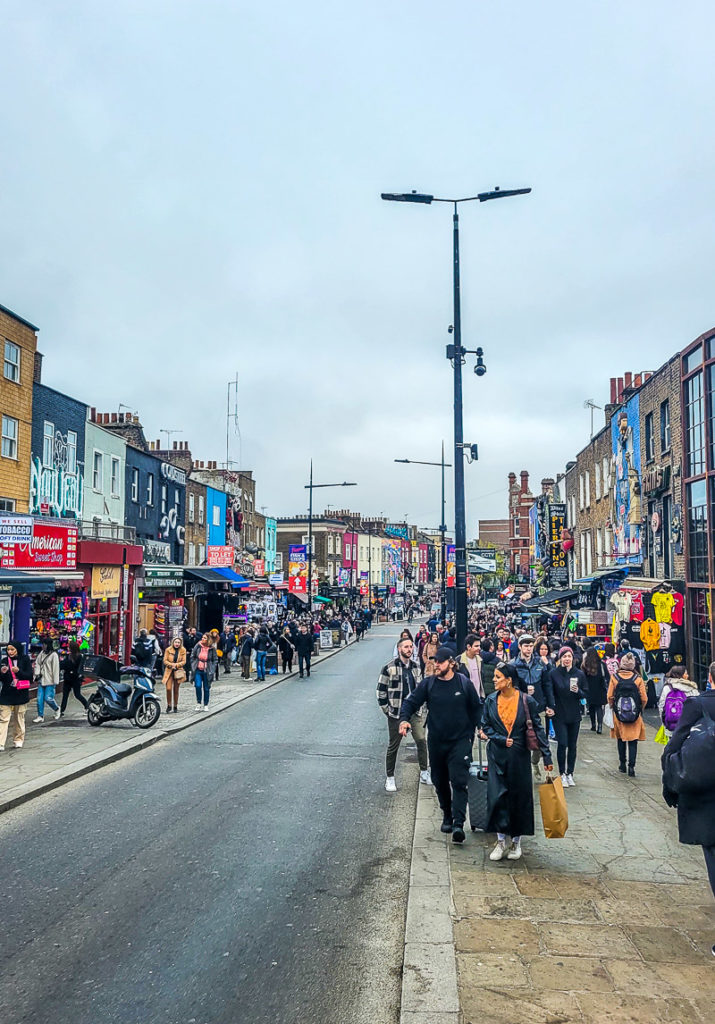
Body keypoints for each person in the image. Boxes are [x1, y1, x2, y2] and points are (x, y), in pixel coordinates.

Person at [398, 647, 482, 843]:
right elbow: (410, 702)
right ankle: (447, 814)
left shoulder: (464, 683)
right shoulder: (429, 684)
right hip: (436, 741)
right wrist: (404, 719)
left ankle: (459, 824)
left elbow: (476, 708)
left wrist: (481, 727)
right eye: (435, 661)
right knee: (439, 780)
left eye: (441, 662)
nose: (436, 665)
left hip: (460, 741)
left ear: (451, 663)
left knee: (459, 780)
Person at [661, 669, 715, 956]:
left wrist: (669, 784)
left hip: (707, 800)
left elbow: (674, 746)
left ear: (710, 678)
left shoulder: (698, 704)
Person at [479, 662, 554, 861]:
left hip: (519, 756)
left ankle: (516, 842)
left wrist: (546, 756)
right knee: (497, 797)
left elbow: (538, 729)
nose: (494, 680)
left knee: (519, 798)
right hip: (497, 755)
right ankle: (500, 840)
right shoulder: (490, 700)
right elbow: (485, 726)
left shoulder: (527, 701)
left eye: (498, 677)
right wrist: (501, 739)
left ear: (509, 680)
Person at [377, 638, 430, 791]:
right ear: (399, 649)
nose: (409, 649)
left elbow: (421, 688)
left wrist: (423, 707)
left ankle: (424, 771)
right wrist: (388, 711)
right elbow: (381, 691)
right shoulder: (389, 668)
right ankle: (390, 777)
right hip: (396, 713)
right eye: (405, 647)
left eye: (410, 647)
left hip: (415, 712)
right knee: (394, 745)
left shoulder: (416, 667)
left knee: (421, 740)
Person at [510, 633, 555, 780]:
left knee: (539, 739)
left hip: (539, 707)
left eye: (530, 646)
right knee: (521, 739)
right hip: (519, 708)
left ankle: (534, 762)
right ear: (520, 647)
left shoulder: (540, 664)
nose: (528, 649)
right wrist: (522, 690)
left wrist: (550, 704)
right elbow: (509, 688)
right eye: (526, 646)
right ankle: (523, 770)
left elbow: (547, 685)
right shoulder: (513, 665)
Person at [550, 647, 588, 788]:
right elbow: (550, 692)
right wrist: (550, 707)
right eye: (564, 656)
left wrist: (578, 691)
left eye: (569, 656)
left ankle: (570, 773)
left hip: (574, 714)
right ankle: (561, 773)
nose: (567, 659)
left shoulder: (579, 674)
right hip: (559, 714)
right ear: (560, 658)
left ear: (573, 658)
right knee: (562, 743)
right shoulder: (554, 673)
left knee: (572, 745)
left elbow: (585, 693)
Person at [607, 652, 648, 776]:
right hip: (634, 715)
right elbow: (644, 698)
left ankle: (622, 764)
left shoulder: (615, 677)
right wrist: (640, 709)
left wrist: (612, 706)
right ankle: (632, 767)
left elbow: (610, 696)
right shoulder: (638, 679)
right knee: (633, 741)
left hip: (619, 714)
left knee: (620, 739)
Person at [0, 640, 32, 749]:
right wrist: (2, 673)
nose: (10, 652)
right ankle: (1, 742)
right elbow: (2, 679)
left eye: (12, 649)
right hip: (6, 694)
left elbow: (29, 677)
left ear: (17, 649)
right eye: (8, 649)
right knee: (4, 718)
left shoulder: (25, 659)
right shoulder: (4, 660)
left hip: (20, 693)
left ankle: (18, 739)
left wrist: (18, 671)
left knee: (19, 718)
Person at [659, 666, 699, 738]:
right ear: (681, 675)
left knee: (672, 747)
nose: (687, 675)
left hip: (671, 726)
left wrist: (665, 723)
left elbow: (662, 706)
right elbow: (697, 707)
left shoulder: (667, 687)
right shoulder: (691, 688)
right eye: (686, 673)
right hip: (688, 727)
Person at [33, 637, 61, 723]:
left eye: (44, 644)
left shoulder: (54, 655)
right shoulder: (41, 653)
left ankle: (56, 709)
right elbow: (37, 663)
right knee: (39, 699)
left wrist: (55, 681)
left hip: (50, 680)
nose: (43, 646)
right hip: (42, 679)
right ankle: (40, 715)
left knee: (48, 698)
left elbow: (55, 669)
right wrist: (37, 674)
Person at [582, 646, 609, 734]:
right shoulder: (601, 664)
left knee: (591, 707)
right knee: (599, 708)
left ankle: (593, 725)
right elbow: (607, 676)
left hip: (589, 689)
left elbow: (582, 677)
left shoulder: (585, 665)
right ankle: (600, 726)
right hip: (600, 689)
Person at [60, 641, 89, 716]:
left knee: (77, 695)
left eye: (69, 647)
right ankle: (61, 710)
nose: (68, 648)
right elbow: (63, 665)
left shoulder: (79, 657)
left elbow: (78, 668)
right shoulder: (69, 656)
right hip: (68, 679)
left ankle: (87, 706)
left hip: (75, 679)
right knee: (65, 695)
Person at [191, 634, 217, 711]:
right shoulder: (198, 645)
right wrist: (193, 665)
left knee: (206, 688)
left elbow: (215, 659)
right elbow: (193, 656)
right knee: (198, 686)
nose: (202, 639)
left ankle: (206, 704)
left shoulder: (212, 648)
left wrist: (212, 668)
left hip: (207, 669)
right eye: (202, 637)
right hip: (198, 668)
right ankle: (198, 703)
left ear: (208, 639)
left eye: (205, 638)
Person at [162, 636, 187, 713]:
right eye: (176, 642)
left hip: (178, 671)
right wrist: (171, 665)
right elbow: (165, 660)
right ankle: (169, 705)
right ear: (173, 642)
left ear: (180, 643)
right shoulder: (168, 650)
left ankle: (175, 705)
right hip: (169, 671)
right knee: (168, 688)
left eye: (178, 642)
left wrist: (176, 665)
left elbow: (184, 661)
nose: (177, 644)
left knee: (176, 689)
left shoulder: (183, 650)